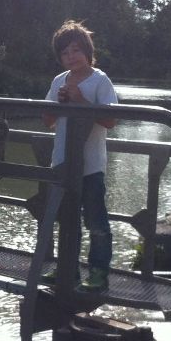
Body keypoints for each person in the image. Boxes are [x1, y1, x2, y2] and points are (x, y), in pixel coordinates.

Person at [42, 20, 117, 292]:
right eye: (64, 53)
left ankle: (98, 272)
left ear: (87, 51)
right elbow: (48, 119)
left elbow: (110, 120)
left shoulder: (100, 80)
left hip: (91, 167)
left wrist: (81, 102)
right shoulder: (58, 81)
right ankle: (67, 270)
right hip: (62, 163)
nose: (70, 57)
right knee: (66, 220)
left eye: (75, 50)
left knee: (96, 221)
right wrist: (62, 103)